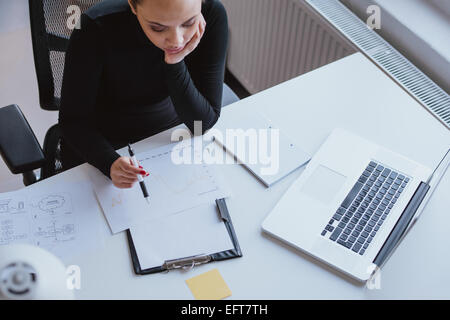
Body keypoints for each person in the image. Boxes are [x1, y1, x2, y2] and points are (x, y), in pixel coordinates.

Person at [59, 0, 228, 189]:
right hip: (103, 139)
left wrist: (175, 62)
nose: (177, 40)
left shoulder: (212, 14)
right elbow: (73, 121)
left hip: (165, 133)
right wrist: (109, 162)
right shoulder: (95, 27)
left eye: (188, 23)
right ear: (132, 5)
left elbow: (201, 124)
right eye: (158, 28)